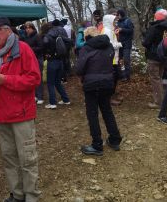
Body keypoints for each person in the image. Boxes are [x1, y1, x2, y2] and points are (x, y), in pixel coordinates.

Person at [0, 17, 41, 202]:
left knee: (27, 158)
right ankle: (17, 194)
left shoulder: (23, 49)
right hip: (2, 114)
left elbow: (34, 79)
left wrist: (4, 79)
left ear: (8, 31)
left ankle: (32, 196)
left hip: (21, 114)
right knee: (9, 158)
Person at [76, 27, 122, 156]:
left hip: (91, 84)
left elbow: (79, 69)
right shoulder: (109, 47)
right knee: (107, 110)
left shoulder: (86, 48)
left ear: (87, 37)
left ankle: (97, 144)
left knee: (92, 114)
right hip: (107, 82)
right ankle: (115, 139)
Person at [142, 9, 167, 108]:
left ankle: (158, 102)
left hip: (153, 56)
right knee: (160, 78)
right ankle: (162, 99)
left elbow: (146, 42)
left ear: (156, 17)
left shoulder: (154, 28)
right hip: (164, 55)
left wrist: (144, 40)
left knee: (155, 79)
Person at [43, 19, 71, 109]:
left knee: (50, 83)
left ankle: (52, 103)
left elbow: (45, 44)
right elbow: (69, 42)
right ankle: (66, 100)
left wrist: (47, 52)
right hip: (60, 61)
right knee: (58, 82)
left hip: (52, 61)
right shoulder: (59, 35)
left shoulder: (48, 35)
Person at [102, 14, 122, 105]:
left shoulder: (111, 30)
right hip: (110, 58)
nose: (115, 22)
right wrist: (119, 44)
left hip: (114, 58)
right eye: (114, 20)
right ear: (109, 21)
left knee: (115, 77)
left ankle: (112, 96)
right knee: (111, 79)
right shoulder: (106, 31)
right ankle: (108, 98)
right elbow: (109, 45)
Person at [23, 21, 45, 105]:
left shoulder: (37, 36)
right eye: (26, 28)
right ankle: (35, 95)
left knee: (38, 77)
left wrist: (30, 49)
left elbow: (41, 47)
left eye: (29, 27)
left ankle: (40, 97)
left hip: (38, 59)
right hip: (30, 60)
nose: (27, 29)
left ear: (33, 28)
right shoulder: (26, 37)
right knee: (31, 78)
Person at [114, 9, 134, 81]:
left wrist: (122, 29)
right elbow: (117, 30)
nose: (116, 16)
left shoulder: (128, 21)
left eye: (117, 15)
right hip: (119, 43)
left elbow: (131, 31)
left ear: (120, 14)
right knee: (118, 59)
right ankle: (121, 75)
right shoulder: (117, 22)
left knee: (126, 60)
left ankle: (127, 76)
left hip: (127, 43)